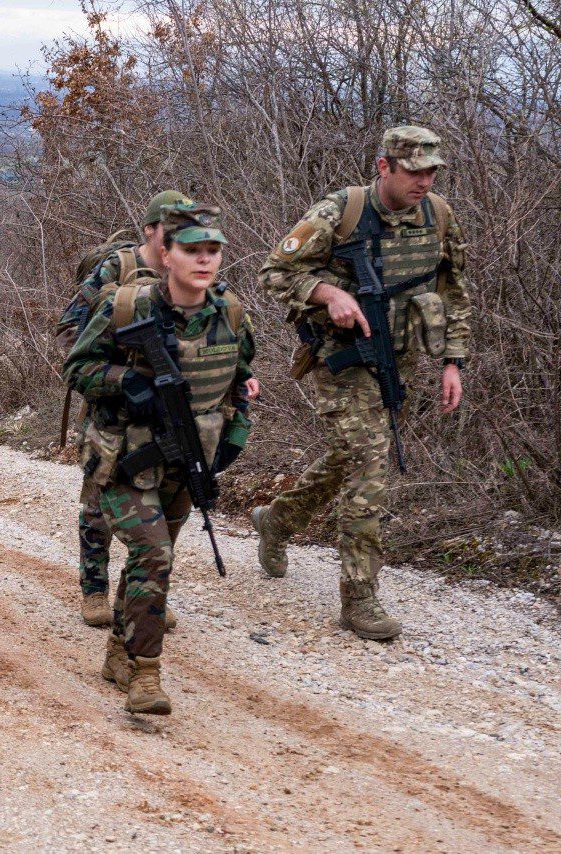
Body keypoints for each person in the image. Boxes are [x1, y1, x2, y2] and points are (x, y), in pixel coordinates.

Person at [252, 125, 470, 641]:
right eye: (414, 171)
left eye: (431, 171)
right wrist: (326, 292)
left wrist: (453, 361)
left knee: (352, 455)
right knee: (372, 465)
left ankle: (278, 520)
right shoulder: (339, 212)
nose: (424, 180)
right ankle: (359, 599)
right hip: (341, 359)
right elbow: (273, 273)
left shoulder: (438, 216)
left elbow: (454, 289)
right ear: (384, 167)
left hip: (400, 358)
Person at [64, 203, 257, 716]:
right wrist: (127, 382)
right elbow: (78, 366)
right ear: (165, 255)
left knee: (147, 562)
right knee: (155, 556)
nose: (203, 261)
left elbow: (241, 382)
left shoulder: (231, 314)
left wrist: (234, 436)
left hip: (186, 460)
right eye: (191, 250)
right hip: (122, 458)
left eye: (212, 251)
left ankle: (117, 655)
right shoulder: (125, 308)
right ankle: (146, 675)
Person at [57, 190, 190, 630]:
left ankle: (147, 594)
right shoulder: (117, 269)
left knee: (166, 506)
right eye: (169, 229)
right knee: (97, 505)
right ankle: (94, 589)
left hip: (163, 411)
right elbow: (70, 332)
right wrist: (116, 372)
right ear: (150, 229)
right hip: (111, 413)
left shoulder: (190, 270)